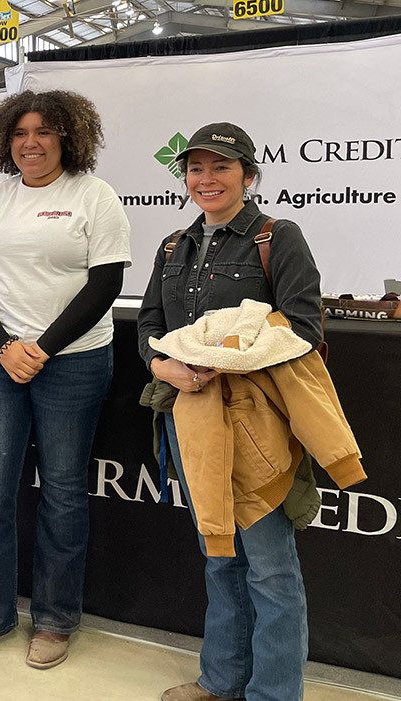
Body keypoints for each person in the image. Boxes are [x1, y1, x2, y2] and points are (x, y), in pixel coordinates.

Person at [137, 123, 323, 701]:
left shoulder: (276, 237)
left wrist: (227, 359)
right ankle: (221, 681)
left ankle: (273, 693)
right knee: (220, 557)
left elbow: (305, 330)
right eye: (195, 168)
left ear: (248, 173)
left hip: (254, 422)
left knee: (270, 568)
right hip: (190, 422)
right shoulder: (174, 246)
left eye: (220, 167)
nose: (206, 179)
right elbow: (149, 327)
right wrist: (162, 365)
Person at [0, 90, 131, 668]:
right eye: (21, 133)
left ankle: (54, 620)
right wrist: (6, 347)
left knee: (62, 492)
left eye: (45, 132)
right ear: (6, 141)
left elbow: (104, 286)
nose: (31, 143)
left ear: (67, 138)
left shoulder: (93, 196)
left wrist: (42, 348)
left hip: (73, 362)